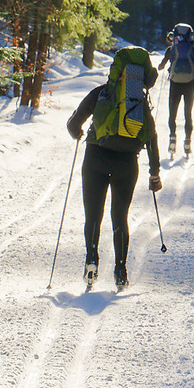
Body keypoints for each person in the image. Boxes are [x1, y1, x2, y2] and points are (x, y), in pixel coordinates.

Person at [66, 53, 162, 291]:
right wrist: (154, 173)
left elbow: (73, 124)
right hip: (127, 164)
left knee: (93, 215)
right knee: (120, 217)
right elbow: (151, 138)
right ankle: (120, 270)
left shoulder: (101, 93)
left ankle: (91, 260)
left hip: (95, 158)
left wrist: (77, 132)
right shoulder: (138, 103)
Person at [158, 22, 194, 157]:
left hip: (175, 84)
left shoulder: (171, 50)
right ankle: (187, 143)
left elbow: (161, 67)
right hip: (189, 84)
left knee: (172, 115)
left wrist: (163, 64)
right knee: (188, 115)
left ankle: (172, 139)